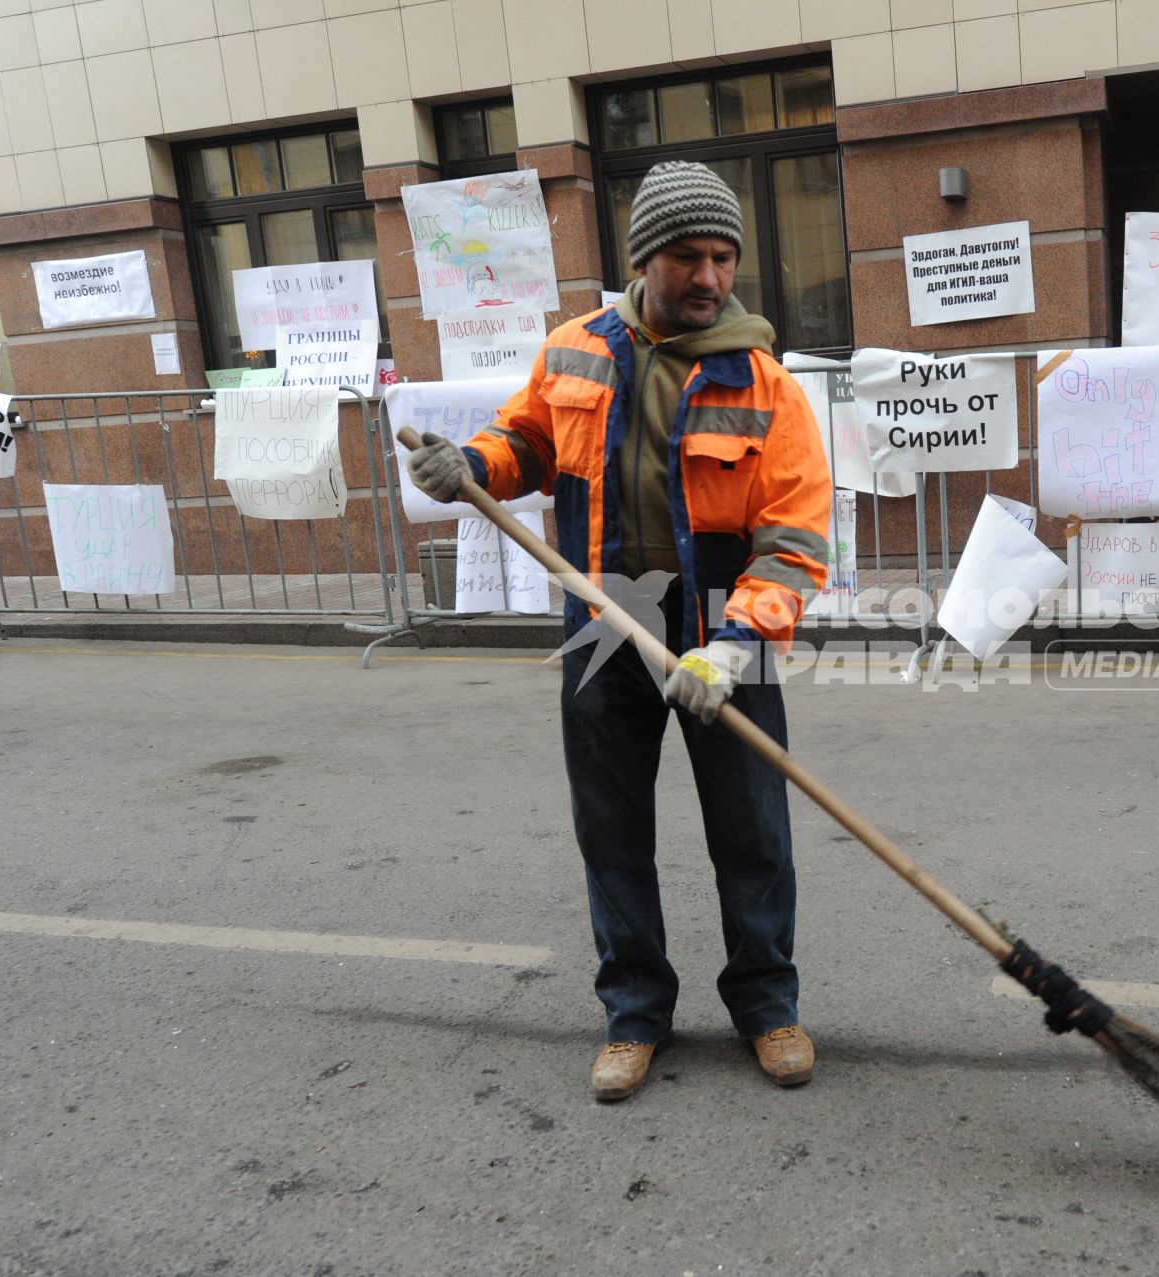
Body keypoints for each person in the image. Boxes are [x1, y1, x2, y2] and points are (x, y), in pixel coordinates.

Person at [406, 161, 833, 1099]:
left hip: (725, 628)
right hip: (604, 616)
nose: (711, 277)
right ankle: (634, 1011)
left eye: (724, 257)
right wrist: (466, 463)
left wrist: (734, 641)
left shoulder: (766, 382)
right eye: (690, 256)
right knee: (612, 828)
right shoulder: (572, 350)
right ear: (647, 258)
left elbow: (796, 536)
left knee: (752, 826)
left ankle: (768, 1003)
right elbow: (524, 444)